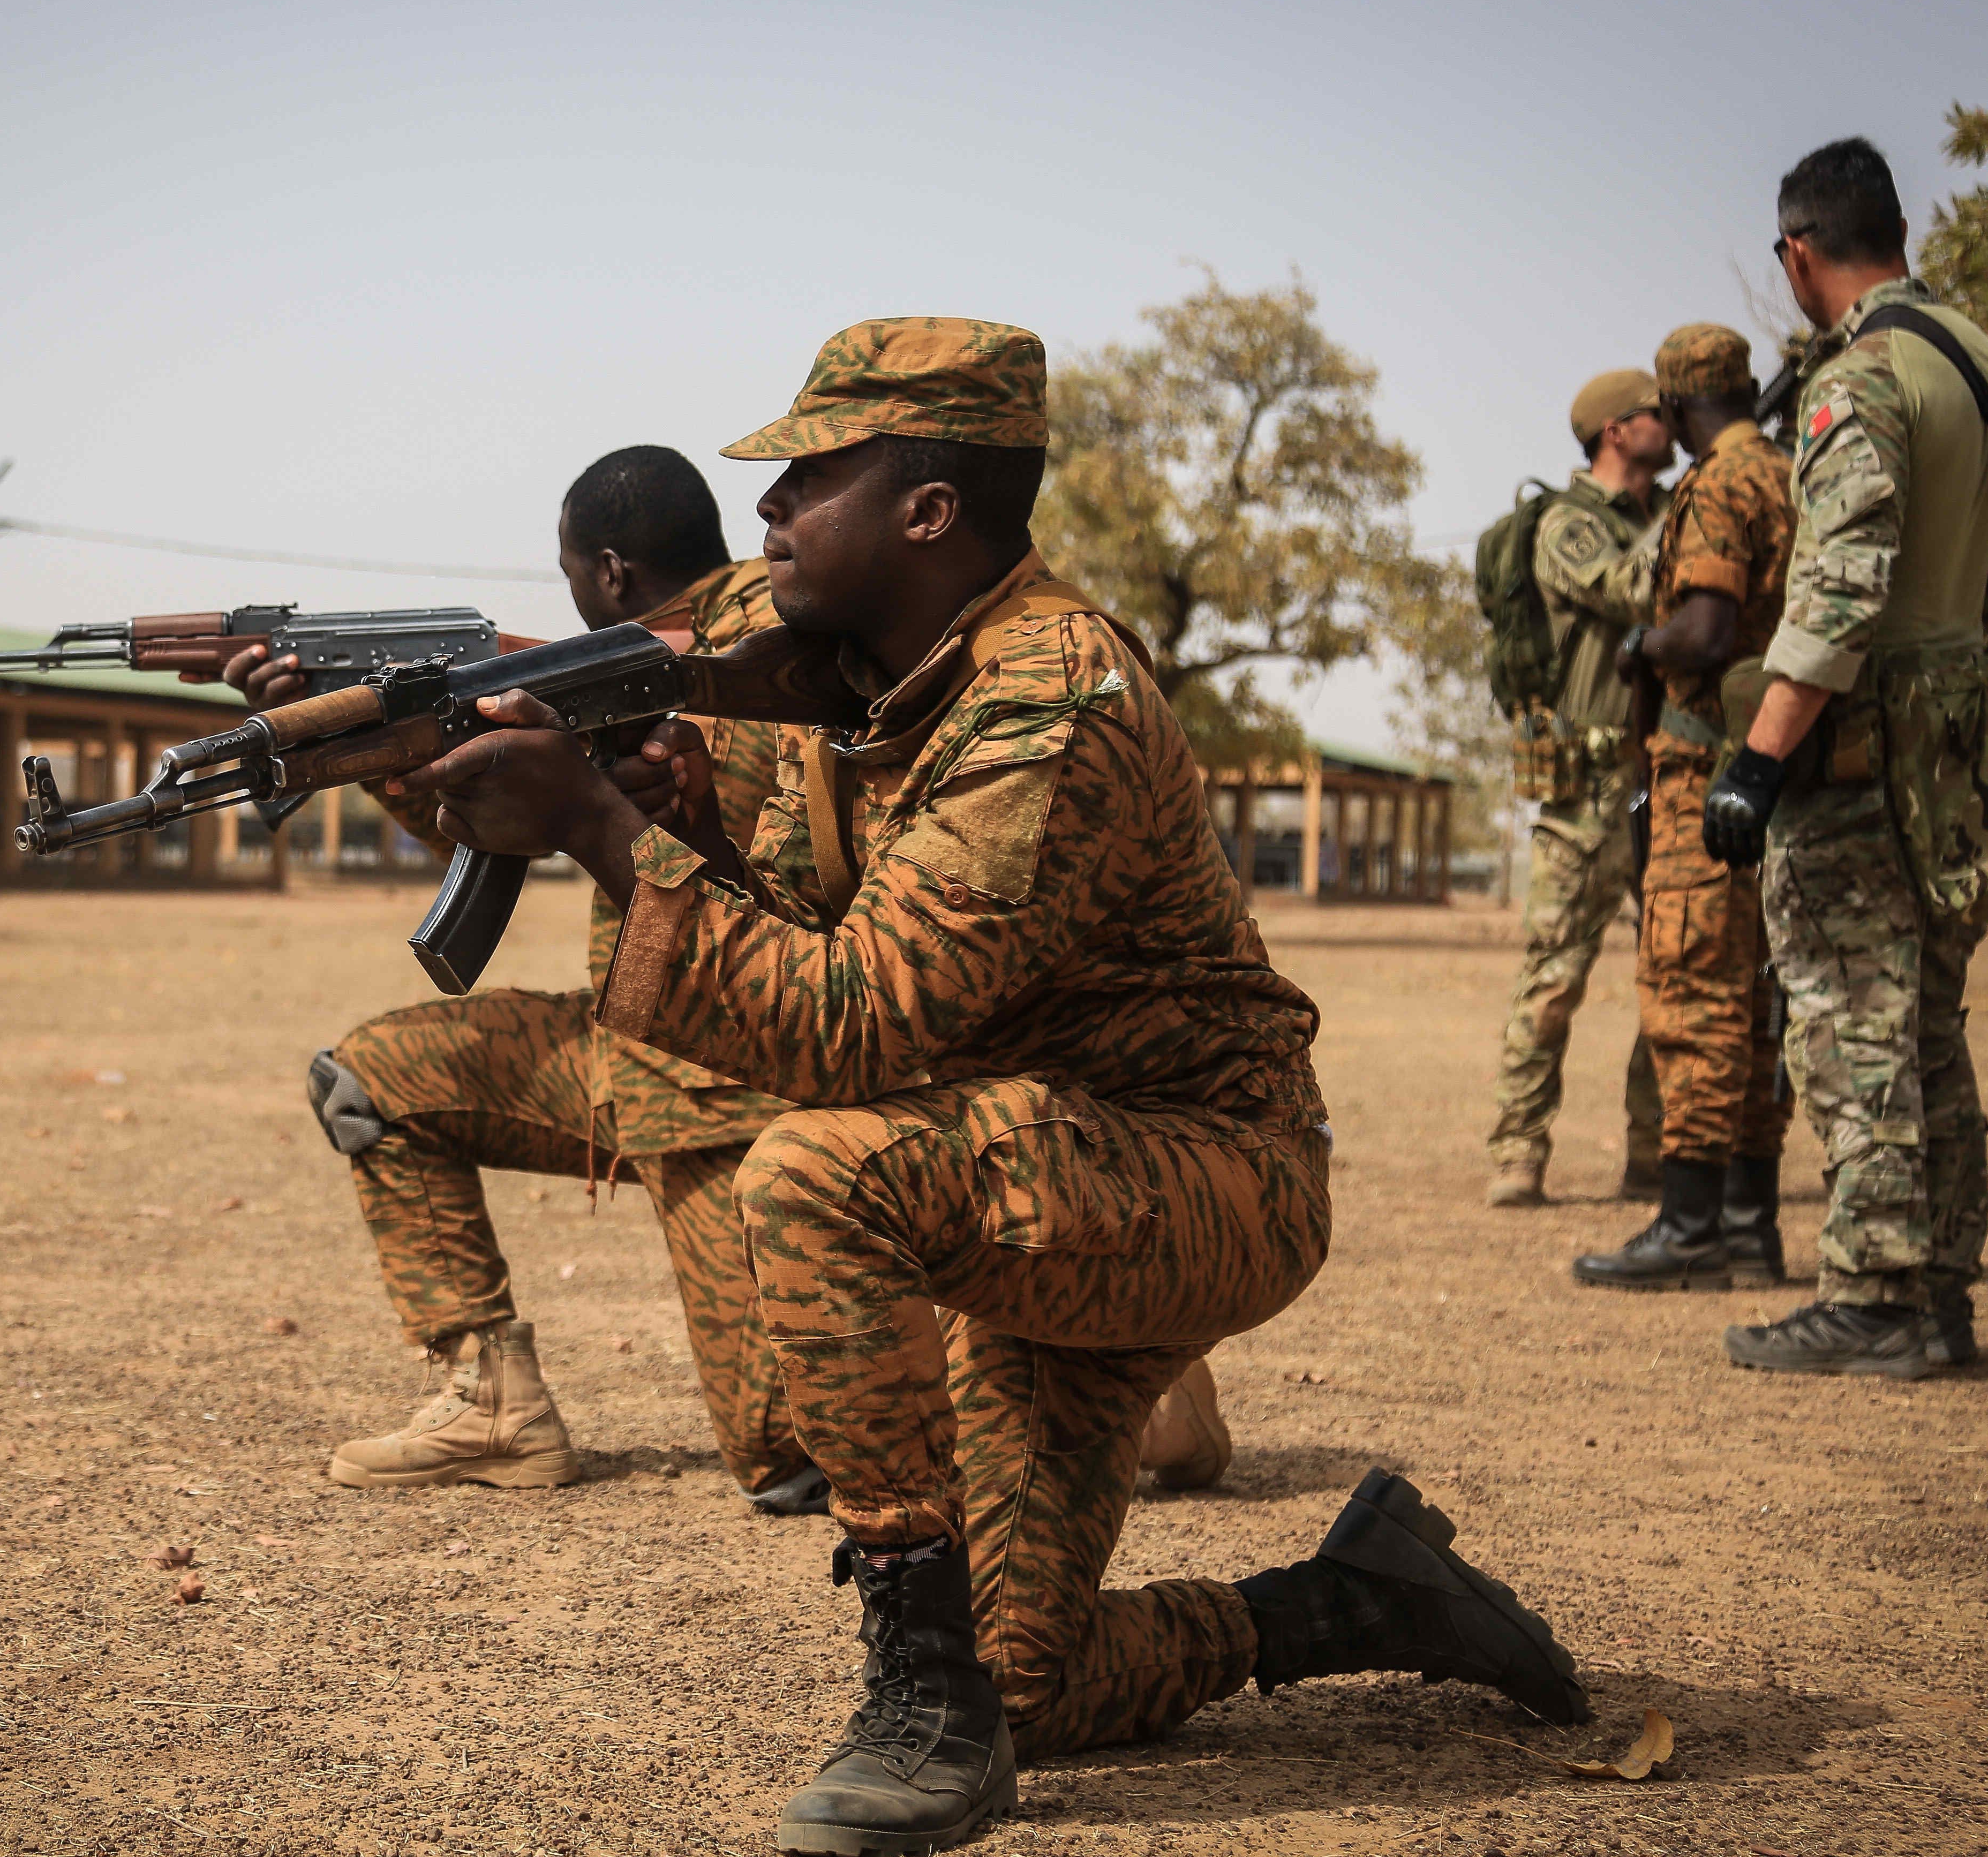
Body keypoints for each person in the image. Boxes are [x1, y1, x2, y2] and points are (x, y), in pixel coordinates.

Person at [404, 319, 1587, 1857]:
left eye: (809, 478)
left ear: (929, 510)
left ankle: (921, 1698)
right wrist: (669, 811)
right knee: (1040, 1676)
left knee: (817, 1170)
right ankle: (1356, 1598)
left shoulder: (1051, 699)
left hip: (1200, 1173)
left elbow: (854, 1024)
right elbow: (835, 928)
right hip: (1033, 1172)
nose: (765, 513)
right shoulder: (877, 679)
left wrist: (602, 833)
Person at [246, 446, 1242, 1501]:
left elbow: (799, 912)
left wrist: (605, 795)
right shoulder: (628, 666)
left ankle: (1121, 1390)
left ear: (612, 571)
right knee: (376, 1083)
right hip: (625, 1049)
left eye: (571, 566)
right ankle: (491, 1403)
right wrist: (392, 747)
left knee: (789, 1454)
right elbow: (502, 832)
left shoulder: (764, 657)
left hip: (740, 1085)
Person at [1704, 138, 1988, 1378]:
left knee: (1852, 1023)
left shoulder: (1863, 381)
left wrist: (1757, 760)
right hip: (1958, 753)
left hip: (1858, 758)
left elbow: (1840, 592)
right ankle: (1941, 1295)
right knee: (1930, 1027)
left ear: (1800, 254)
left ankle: (1873, 1296)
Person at [1575, 324, 1796, 1293]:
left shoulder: (1717, 487)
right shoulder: (1790, 473)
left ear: (1673, 408)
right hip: (1768, 776)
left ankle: (1690, 1225)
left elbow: (1705, 632)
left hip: (1702, 780)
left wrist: (1642, 648)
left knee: (1692, 998)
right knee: (1752, 1009)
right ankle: (1750, 1228)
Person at [1487, 371, 1669, 1209]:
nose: (1673, 425)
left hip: (1666, 778)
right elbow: (1634, 590)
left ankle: (1656, 1153)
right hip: (1587, 790)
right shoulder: (1569, 526)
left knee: (1675, 973)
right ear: (1614, 430)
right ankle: (1519, 1151)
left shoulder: (1664, 513)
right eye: (1657, 414)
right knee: (1556, 975)